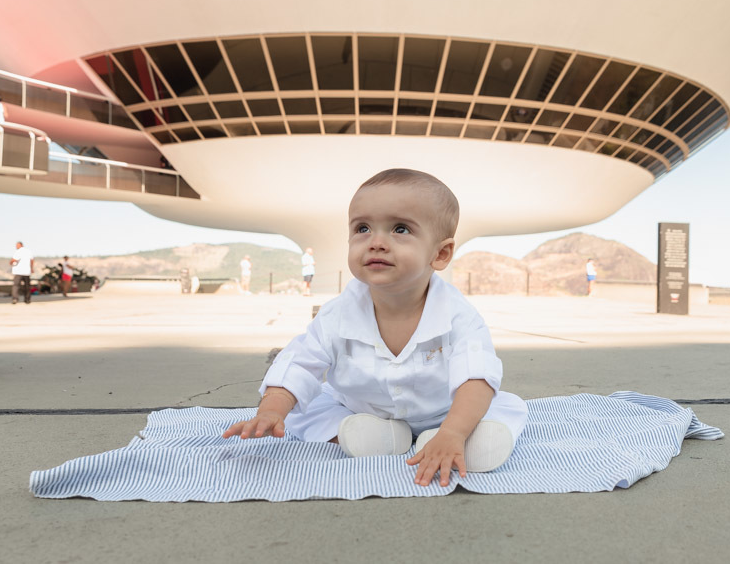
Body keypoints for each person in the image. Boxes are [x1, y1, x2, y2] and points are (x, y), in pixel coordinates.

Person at [223, 168, 527, 488]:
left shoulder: (458, 316)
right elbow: (300, 362)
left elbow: (475, 378)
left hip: (447, 412)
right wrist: (272, 410)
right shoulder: (336, 315)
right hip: (361, 409)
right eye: (363, 228)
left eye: (400, 229)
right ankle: (375, 436)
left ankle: (454, 439)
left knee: (496, 407)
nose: (377, 242)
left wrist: (454, 430)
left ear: (440, 253)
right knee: (308, 411)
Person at [9, 241, 35, 305]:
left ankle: (15, 298)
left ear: (20, 245)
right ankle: (27, 299)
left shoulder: (18, 252)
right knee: (27, 286)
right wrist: (31, 268)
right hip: (26, 271)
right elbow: (32, 260)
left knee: (16, 286)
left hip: (18, 271)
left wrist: (11, 262)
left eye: (17, 245)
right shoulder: (29, 251)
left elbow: (14, 260)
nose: (16, 246)